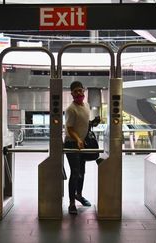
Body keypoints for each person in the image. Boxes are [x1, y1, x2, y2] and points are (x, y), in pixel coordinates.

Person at [64, 81, 92, 215]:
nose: (79, 93)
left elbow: (84, 123)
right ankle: (71, 203)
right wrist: (78, 139)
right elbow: (69, 129)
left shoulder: (87, 105)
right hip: (71, 143)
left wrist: (92, 123)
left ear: (84, 91)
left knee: (82, 172)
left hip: (82, 143)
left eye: (81, 90)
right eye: (76, 91)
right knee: (75, 172)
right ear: (72, 94)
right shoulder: (70, 109)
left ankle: (79, 195)